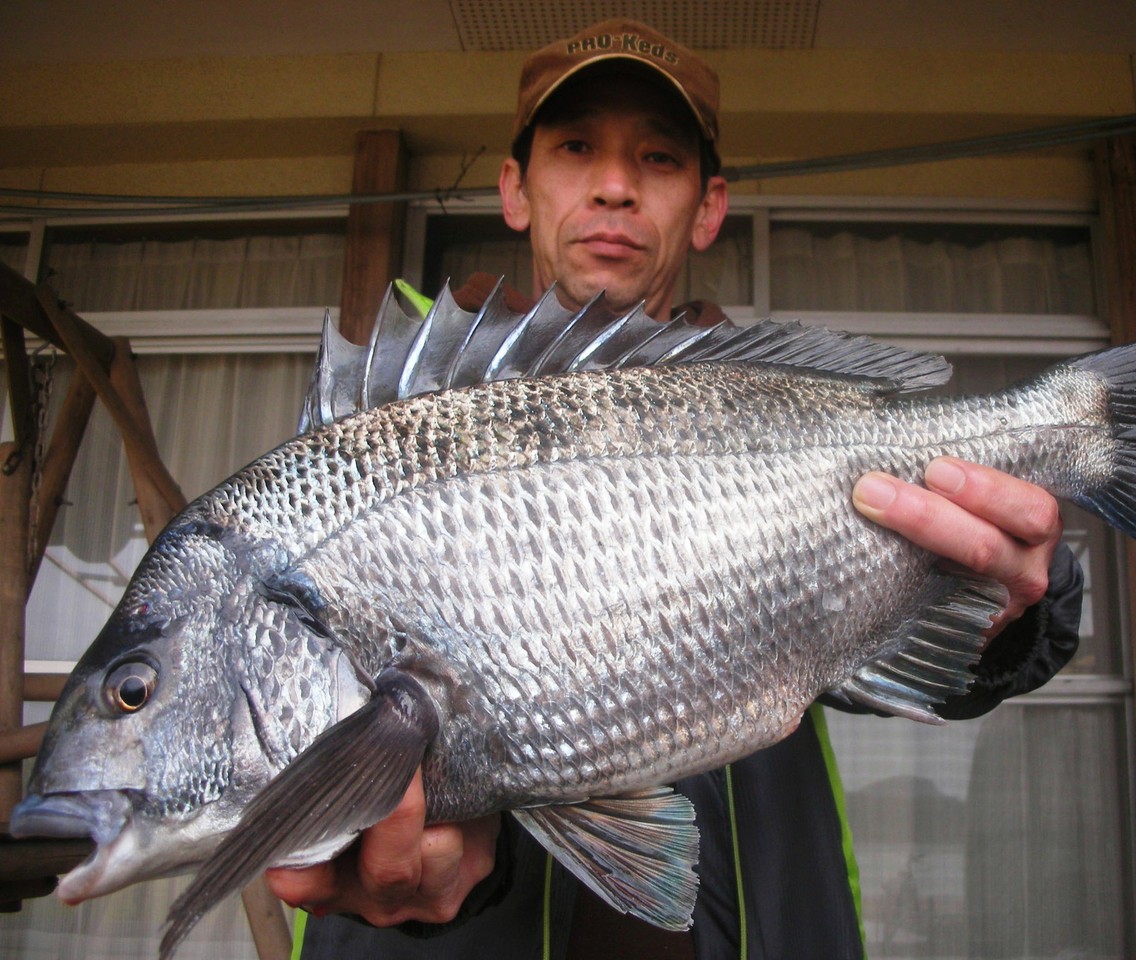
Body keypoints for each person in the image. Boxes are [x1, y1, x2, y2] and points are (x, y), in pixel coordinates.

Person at [267, 18, 1081, 959]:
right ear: (514, 188)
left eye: (657, 157)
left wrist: (1014, 598)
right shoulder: (383, 430)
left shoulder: (787, 421)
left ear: (708, 206)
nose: (615, 185)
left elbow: (931, 662)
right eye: (576, 148)